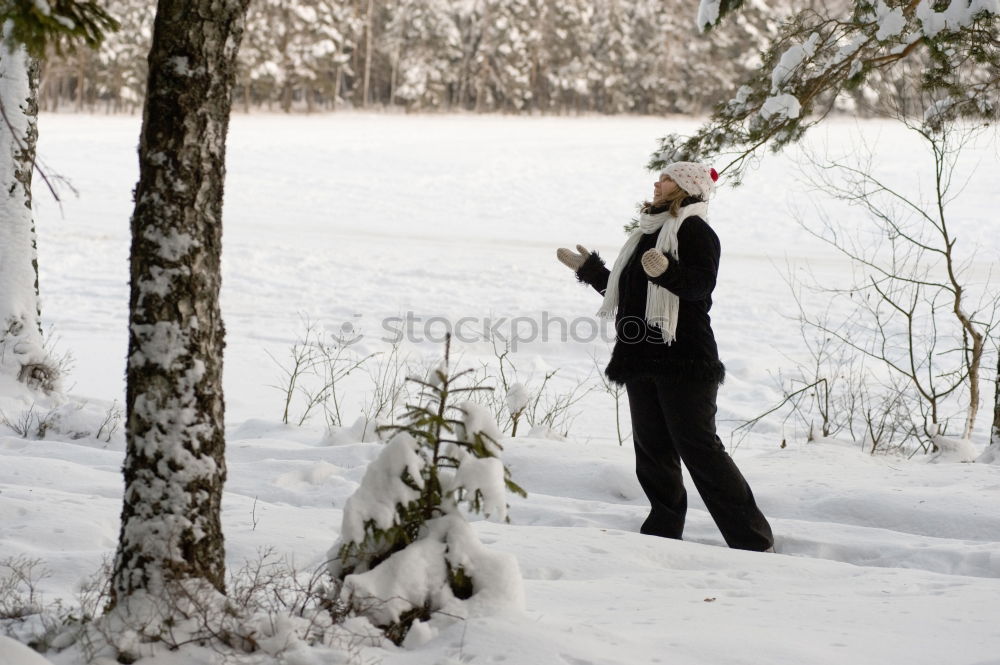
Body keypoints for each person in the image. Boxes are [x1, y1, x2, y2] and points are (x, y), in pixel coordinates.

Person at [556, 162, 774, 552]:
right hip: (639, 357)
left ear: (686, 187)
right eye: (659, 177)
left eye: (667, 178)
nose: (657, 183)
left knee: (700, 451)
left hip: (684, 358)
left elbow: (699, 288)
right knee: (653, 453)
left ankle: (752, 539)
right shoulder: (647, 233)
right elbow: (627, 291)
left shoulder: (696, 231)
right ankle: (662, 533)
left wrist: (667, 272)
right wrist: (591, 272)